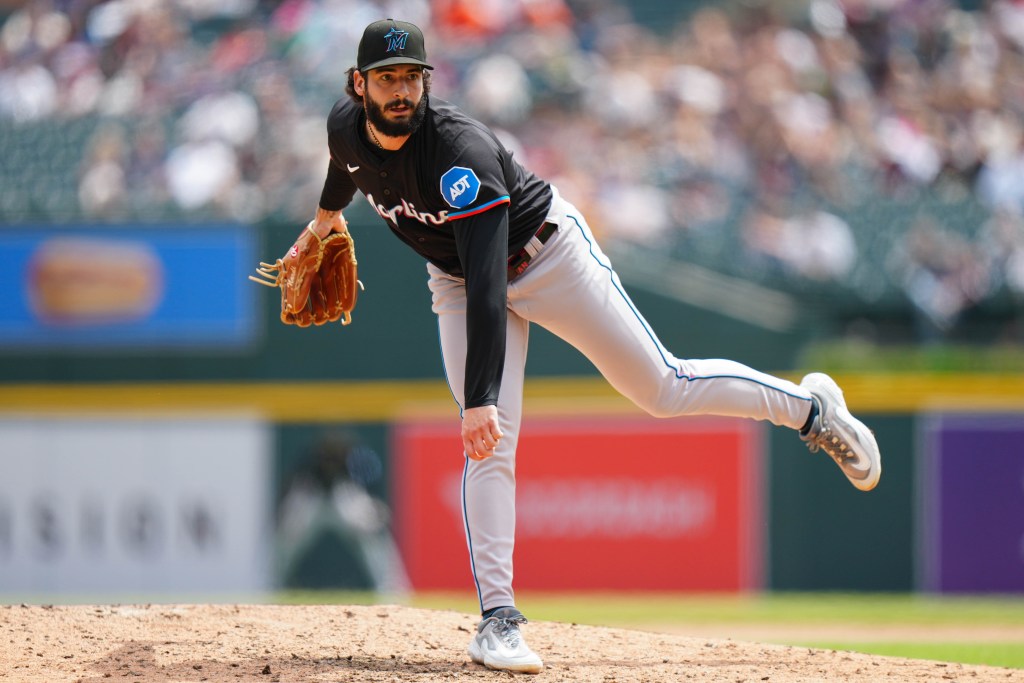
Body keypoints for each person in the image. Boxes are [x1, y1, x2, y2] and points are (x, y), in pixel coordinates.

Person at [302, 18, 882, 674]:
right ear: (360, 86)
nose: (402, 89)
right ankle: (498, 620)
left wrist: (480, 398)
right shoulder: (344, 127)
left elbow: (490, 283)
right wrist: (323, 221)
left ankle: (811, 410)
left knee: (664, 386)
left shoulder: (459, 152)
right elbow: (346, 166)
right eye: (387, 78)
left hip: (546, 258)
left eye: (412, 76)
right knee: (488, 447)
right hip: (455, 279)